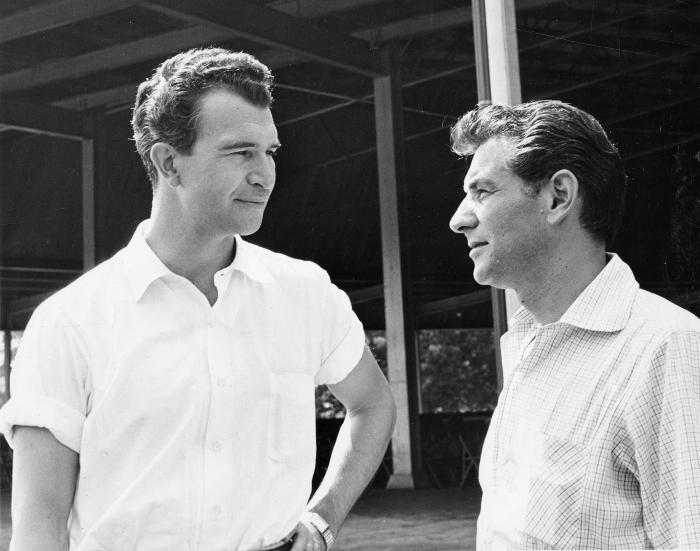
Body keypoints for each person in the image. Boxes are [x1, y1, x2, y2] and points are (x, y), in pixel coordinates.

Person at [0, 47, 396, 551]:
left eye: (269, 151)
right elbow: (40, 524)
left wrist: (322, 518)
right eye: (239, 152)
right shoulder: (70, 321)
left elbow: (372, 404)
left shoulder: (306, 294)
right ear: (170, 162)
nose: (264, 174)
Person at [449, 100, 700, 549]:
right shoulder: (525, 342)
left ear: (558, 197)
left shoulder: (667, 349)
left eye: (482, 192)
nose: (459, 219)